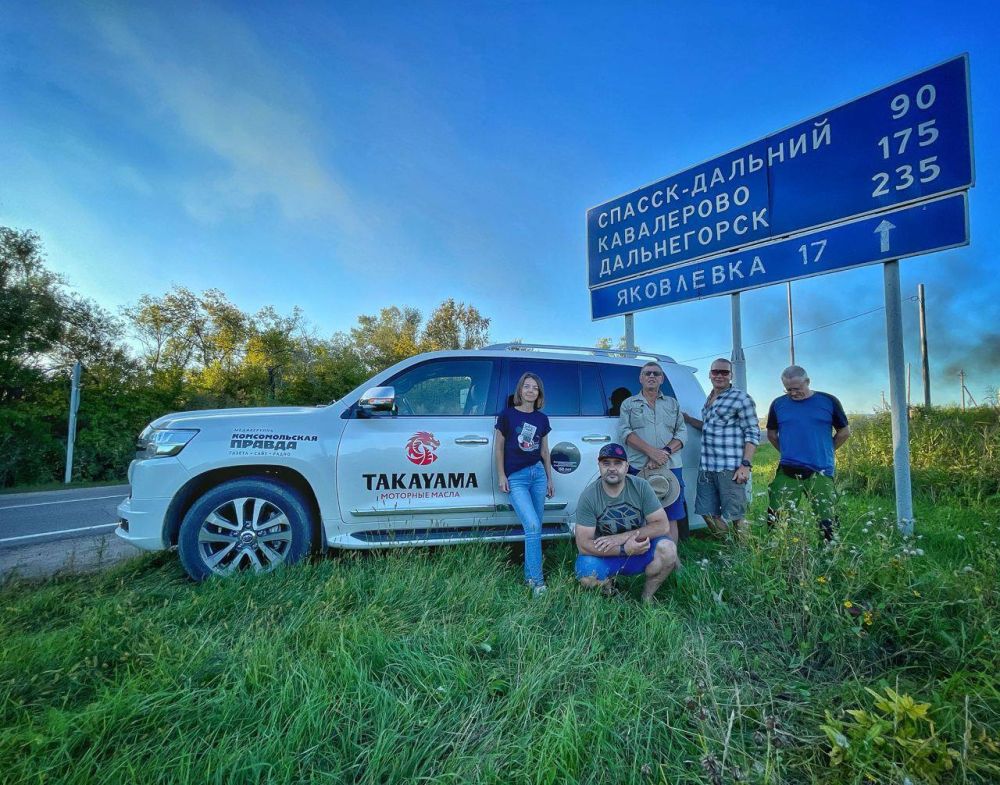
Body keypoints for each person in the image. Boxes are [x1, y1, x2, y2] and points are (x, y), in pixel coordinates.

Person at [575, 443, 679, 601]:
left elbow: (662, 525)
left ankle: (647, 597)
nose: (611, 468)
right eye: (606, 463)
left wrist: (621, 538)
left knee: (668, 549)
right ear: (599, 465)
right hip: (607, 555)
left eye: (618, 463)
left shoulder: (641, 487)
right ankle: (612, 591)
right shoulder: (589, 496)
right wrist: (623, 549)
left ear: (626, 466)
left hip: (640, 549)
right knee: (586, 576)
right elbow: (583, 544)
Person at [765, 365, 851, 541]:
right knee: (776, 516)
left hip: (820, 470)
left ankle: (828, 555)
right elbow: (772, 434)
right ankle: (778, 551)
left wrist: (827, 450)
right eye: (788, 389)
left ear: (807, 382)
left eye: (797, 388)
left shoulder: (828, 401)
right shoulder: (778, 404)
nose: (793, 393)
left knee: (827, 519)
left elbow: (844, 432)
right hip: (787, 470)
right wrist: (788, 451)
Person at [683, 358, 760, 538]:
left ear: (731, 375)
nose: (719, 375)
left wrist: (746, 465)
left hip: (730, 467)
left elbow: (752, 432)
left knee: (736, 515)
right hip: (707, 466)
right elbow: (710, 427)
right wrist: (688, 420)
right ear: (710, 374)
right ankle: (728, 549)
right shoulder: (709, 399)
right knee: (706, 512)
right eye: (716, 372)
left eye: (724, 372)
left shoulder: (741, 398)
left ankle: (744, 555)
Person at [495, 372, 555, 596]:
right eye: (527, 387)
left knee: (535, 528)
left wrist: (549, 478)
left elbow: (545, 451)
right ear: (520, 390)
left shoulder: (542, 419)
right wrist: (502, 475)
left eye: (535, 388)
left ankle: (530, 576)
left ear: (539, 393)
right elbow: (499, 448)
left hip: (538, 475)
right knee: (531, 525)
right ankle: (538, 583)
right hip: (517, 477)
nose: (530, 391)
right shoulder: (507, 415)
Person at [618, 361, 687, 542]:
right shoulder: (628, 404)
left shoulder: (673, 404)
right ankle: (647, 558)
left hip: (670, 466)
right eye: (647, 373)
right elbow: (625, 432)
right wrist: (652, 453)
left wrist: (663, 453)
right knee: (641, 515)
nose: (651, 376)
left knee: (671, 514)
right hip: (640, 467)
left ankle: (673, 560)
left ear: (662, 379)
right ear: (640, 378)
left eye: (656, 374)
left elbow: (682, 433)